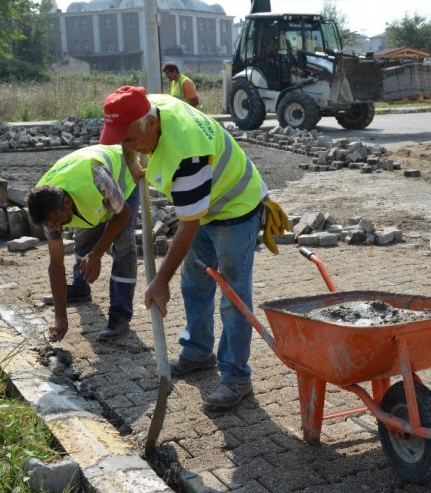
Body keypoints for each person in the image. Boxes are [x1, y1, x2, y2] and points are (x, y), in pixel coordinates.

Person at [99, 86, 287, 412]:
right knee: (195, 282)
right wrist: (131, 161)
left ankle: (236, 377)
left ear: (149, 124)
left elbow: (189, 225)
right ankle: (198, 352)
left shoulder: (187, 154)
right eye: (122, 140)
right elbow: (125, 141)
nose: (126, 146)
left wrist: (159, 281)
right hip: (203, 204)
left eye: (130, 140)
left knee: (233, 296)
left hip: (234, 207)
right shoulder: (147, 109)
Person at [27, 144, 140, 343]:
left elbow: (123, 215)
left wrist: (97, 254)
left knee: (123, 244)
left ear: (67, 204)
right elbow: (56, 264)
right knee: (84, 238)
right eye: (50, 224)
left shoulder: (96, 179)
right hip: (90, 194)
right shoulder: (45, 206)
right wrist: (60, 317)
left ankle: (120, 313)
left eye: (57, 221)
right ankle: (80, 289)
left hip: (123, 180)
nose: (56, 228)